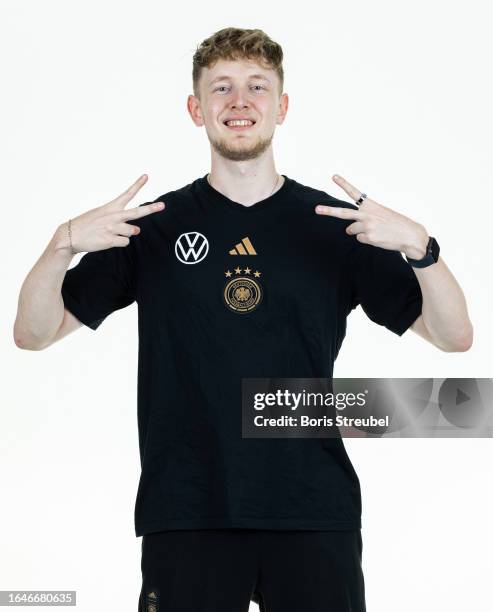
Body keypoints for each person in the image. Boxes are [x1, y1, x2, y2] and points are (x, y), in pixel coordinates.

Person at [14, 26, 473, 612]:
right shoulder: (153, 226)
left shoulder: (332, 226)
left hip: (313, 509)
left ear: (281, 107)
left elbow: (454, 336)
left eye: (257, 87)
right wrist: (61, 246)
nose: (239, 102)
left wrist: (421, 250)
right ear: (196, 108)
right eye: (222, 88)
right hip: (187, 509)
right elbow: (33, 333)